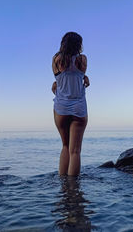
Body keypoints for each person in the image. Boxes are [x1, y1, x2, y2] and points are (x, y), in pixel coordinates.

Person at [52, 32, 89, 176]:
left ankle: (63, 188)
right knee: (75, 151)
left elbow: (59, 79)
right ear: (79, 45)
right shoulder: (82, 60)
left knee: (65, 146)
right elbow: (78, 75)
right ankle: (74, 190)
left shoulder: (56, 59)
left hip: (61, 107)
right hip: (79, 108)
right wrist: (85, 77)